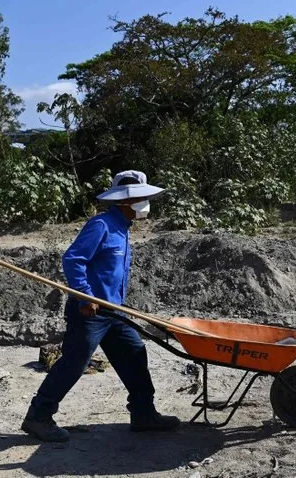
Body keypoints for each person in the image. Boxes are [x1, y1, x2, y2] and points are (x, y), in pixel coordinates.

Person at [21, 170, 180, 442]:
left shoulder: (123, 228)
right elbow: (73, 259)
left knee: (134, 353)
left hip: (113, 310)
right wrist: (85, 296)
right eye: (140, 197)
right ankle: (38, 417)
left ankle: (143, 414)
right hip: (90, 312)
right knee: (74, 363)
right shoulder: (102, 225)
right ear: (125, 201)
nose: (145, 202)